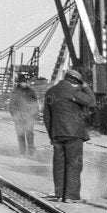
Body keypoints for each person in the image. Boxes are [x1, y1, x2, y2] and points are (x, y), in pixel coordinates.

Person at [41, 68, 98, 202]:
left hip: (57, 134)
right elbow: (92, 102)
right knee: (74, 164)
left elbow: (46, 117)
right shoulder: (74, 91)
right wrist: (86, 87)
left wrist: (52, 135)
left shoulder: (50, 92)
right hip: (73, 134)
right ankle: (71, 196)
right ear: (76, 82)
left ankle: (60, 194)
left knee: (59, 164)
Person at [8, 76, 41, 155]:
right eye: (22, 82)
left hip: (29, 116)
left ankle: (30, 150)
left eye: (25, 82)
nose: (24, 83)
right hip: (19, 117)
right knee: (20, 134)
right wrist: (14, 116)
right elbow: (11, 106)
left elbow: (35, 103)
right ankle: (22, 151)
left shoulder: (31, 92)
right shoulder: (15, 93)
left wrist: (35, 114)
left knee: (30, 133)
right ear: (19, 83)